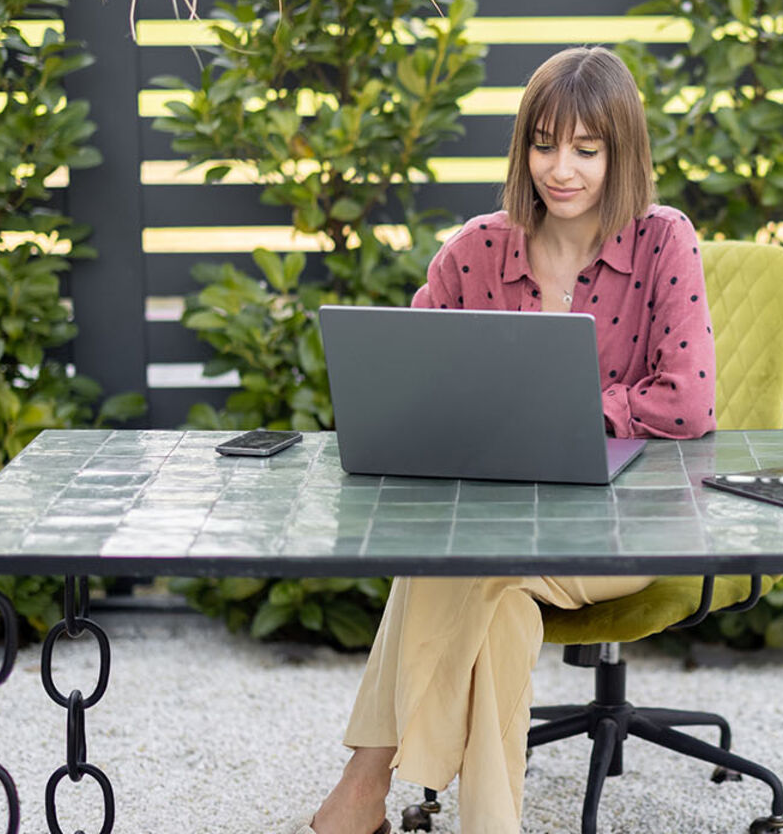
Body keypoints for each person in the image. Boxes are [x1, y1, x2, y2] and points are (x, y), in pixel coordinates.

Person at [300, 46, 717, 834]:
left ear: (620, 152)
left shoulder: (665, 241)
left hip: (627, 528)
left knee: (470, 572)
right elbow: (407, 373)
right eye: (544, 144)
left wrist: (580, 409)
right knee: (498, 604)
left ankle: (361, 791)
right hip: (496, 523)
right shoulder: (478, 248)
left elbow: (689, 401)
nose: (561, 169)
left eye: (587, 150)